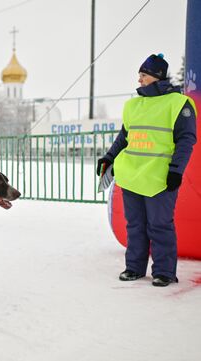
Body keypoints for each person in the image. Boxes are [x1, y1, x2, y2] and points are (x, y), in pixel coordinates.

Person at [97, 54, 197, 287]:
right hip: (131, 175)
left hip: (159, 178)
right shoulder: (134, 105)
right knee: (134, 225)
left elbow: (186, 140)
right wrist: (109, 157)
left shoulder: (178, 104)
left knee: (160, 225)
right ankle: (134, 268)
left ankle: (164, 272)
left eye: (143, 75)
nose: (139, 79)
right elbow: (124, 138)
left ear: (156, 76)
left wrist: (176, 171)